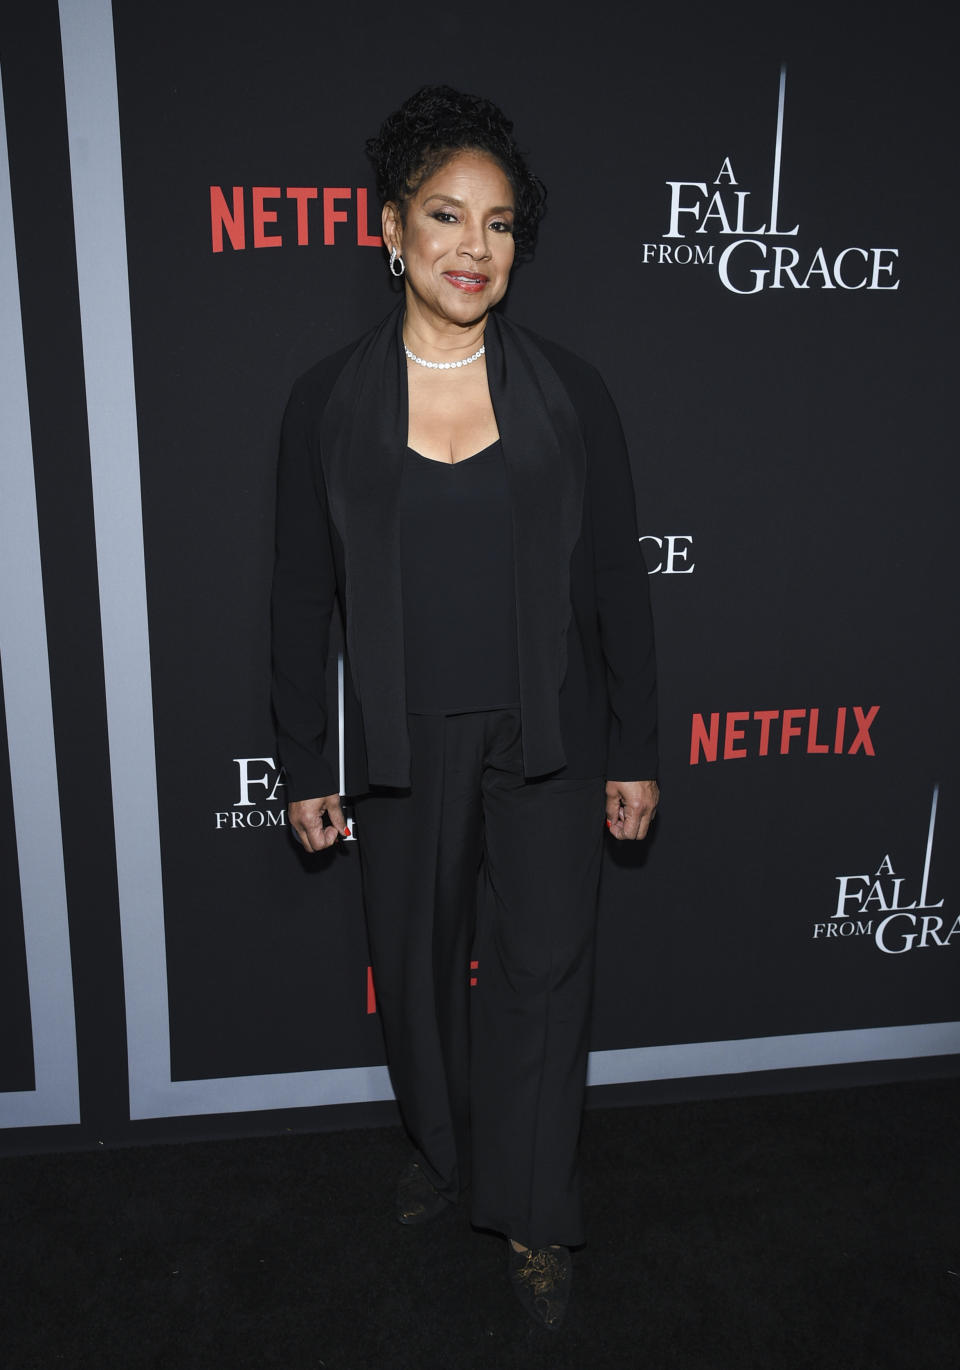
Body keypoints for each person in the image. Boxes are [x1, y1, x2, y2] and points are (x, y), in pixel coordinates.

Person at [271, 85, 659, 1331]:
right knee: (422, 978)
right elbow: (297, 599)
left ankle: (538, 1208)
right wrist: (303, 760)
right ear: (390, 227)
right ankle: (446, 1151)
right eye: (445, 215)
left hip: (547, 738)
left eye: (496, 223)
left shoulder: (572, 394)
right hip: (401, 742)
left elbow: (615, 584)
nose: (471, 247)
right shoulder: (325, 404)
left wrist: (635, 745)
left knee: (546, 977)